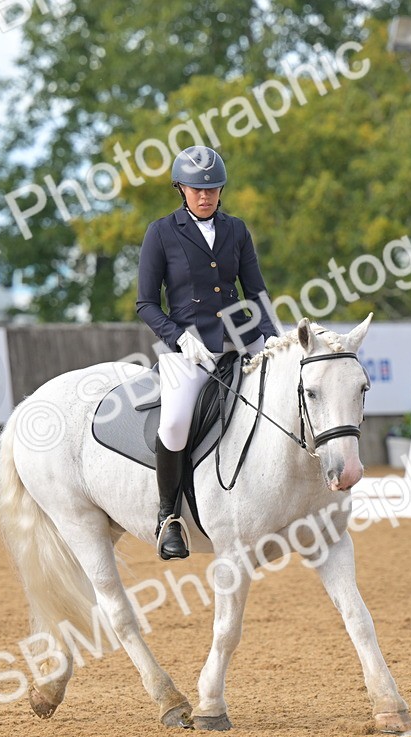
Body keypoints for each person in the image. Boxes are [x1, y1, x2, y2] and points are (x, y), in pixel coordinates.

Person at [135, 145, 280, 561]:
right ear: (180, 189)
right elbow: (145, 303)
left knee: (290, 386)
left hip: (242, 335)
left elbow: (256, 292)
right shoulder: (161, 232)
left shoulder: (236, 229)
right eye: (197, 189)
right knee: (177, 421)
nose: (205, 196)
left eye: (213, 189)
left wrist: (271, 339)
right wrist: (179, 338)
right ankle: (168, 518)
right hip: (190, 346)